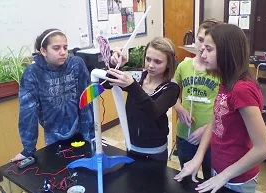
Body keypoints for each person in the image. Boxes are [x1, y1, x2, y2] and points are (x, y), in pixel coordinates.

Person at [174, 24, 266, 193]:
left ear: (227, 52)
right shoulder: (225, 80)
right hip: (219, 169)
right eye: (202, 48)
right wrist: (198, 157)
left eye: (209, 49)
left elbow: (264, 148)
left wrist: (223, 176)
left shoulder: (241, 90)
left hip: (237, 179)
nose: (202, 54)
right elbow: (215, 119)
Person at [10, 29, 94, 162]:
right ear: (43, 51)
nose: (63, 52)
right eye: (56, 48)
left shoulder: (76, 64)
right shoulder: (32, 74)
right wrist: (28, 149)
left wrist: (90, 134)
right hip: (53, 135)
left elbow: (87, 100)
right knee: (59, 170)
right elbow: (28, 113)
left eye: (65, 47)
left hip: (81, 131)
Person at [107, 37, 180, 161]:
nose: (151, 65)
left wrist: (132, 86)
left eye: (157, 62)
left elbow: (153, 111)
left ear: (168, 63)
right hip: (131, 144)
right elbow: (106, 83)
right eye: (148, 59)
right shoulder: (137, 77)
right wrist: (115, 65)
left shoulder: (171, 88)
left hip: (155, 151)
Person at [173, 19, 221, 180]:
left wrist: (207, 129)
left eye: (208, 43)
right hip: (184, 135)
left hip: (211, 138)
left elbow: (224, 109)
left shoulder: (220, 71)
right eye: (200, 40)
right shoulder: (183, 67)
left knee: (210, 179)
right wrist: (179, 108)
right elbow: (170, 94)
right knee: (186, 178)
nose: (201, 47)